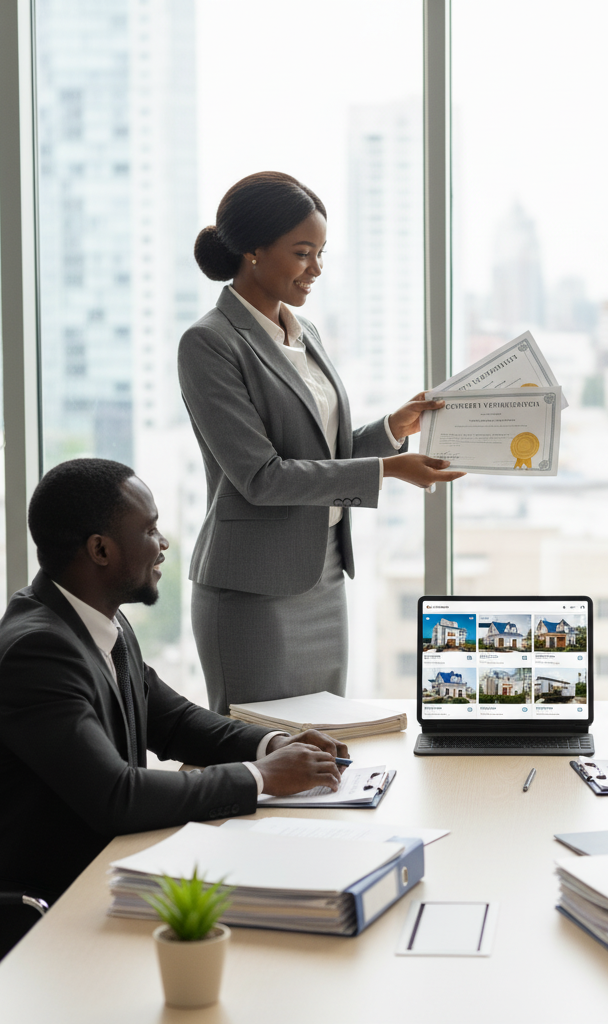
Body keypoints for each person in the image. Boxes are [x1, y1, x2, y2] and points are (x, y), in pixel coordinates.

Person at [0, 459, 352, 984]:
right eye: (150, 529)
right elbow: (116, 797)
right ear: (100, 550)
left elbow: (173, 721)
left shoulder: (97, 622)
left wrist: (272, 744)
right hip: (46, 916)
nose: (164, 543)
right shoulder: (36, 651)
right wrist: (262, 778)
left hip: (107, 875)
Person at [181, 171, 465, 714]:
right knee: (263, 746)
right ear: (254, 251)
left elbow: (319, 453)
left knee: (326, 741)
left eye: (320, 253)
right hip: (252, 591)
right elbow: (262, 477)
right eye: (302, 253)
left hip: (324, 573)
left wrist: (391, 430)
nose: (316, 269)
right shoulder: (209, 343)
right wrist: (388, 470)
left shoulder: (305, 332)